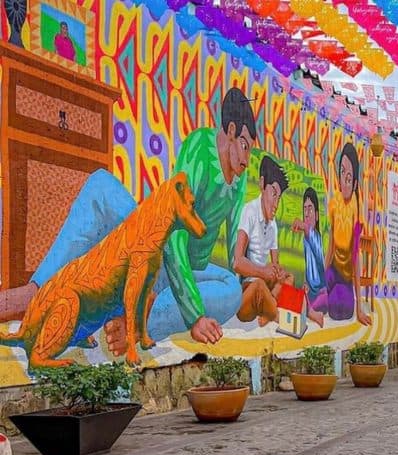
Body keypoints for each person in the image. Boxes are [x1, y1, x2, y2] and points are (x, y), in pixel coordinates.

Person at [0, 87, 256, 354]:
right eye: (245, 146)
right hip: (152, 248)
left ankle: (140, 323)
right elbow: (175, 235)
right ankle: (37, 293)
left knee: (231, 290)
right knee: (101, 185)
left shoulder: (238, 183)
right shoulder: (200, 147)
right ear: (230, 132)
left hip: (178, 276)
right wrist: (194, 314)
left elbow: (233, 254)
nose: (247, 159)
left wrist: (249, 279)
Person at [233, 155, 297, 327]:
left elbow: (276, 264)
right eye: (273, 194)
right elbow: (237, 263)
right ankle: (283, 319)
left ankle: (268, 312)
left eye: (279, 198)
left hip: (265, 286)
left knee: (289, 277)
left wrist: (278, 272)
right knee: (260, 286)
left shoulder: (273, 225)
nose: (276, 204)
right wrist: (263, 271)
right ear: (262, 184)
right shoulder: (249, 212)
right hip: (248, 291)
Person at [312, 143, 371, 325]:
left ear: (354, 184)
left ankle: (323, 300)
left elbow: (355, 258)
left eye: (349, 177)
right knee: (316, 289)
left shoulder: (356, 210)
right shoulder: (334, 203)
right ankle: (319, 297)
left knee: (341, 312)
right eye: (342, 172)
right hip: (332, 271)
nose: (344, 181)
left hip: (345, 278)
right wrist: (322, 276)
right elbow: (330, 245)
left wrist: (360, 308)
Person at [292, 187, 328, 327]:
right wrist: (306, 283)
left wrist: (306, 229)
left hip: (322, 294)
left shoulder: (316, 237)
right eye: (304, 209)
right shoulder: (305, 239)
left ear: (317, 215)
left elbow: (321, 262)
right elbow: (309, 270)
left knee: (307, 301)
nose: (306, 213)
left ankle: (312, 312)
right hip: (311, 294)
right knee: (286, 293)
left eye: (310, 209)